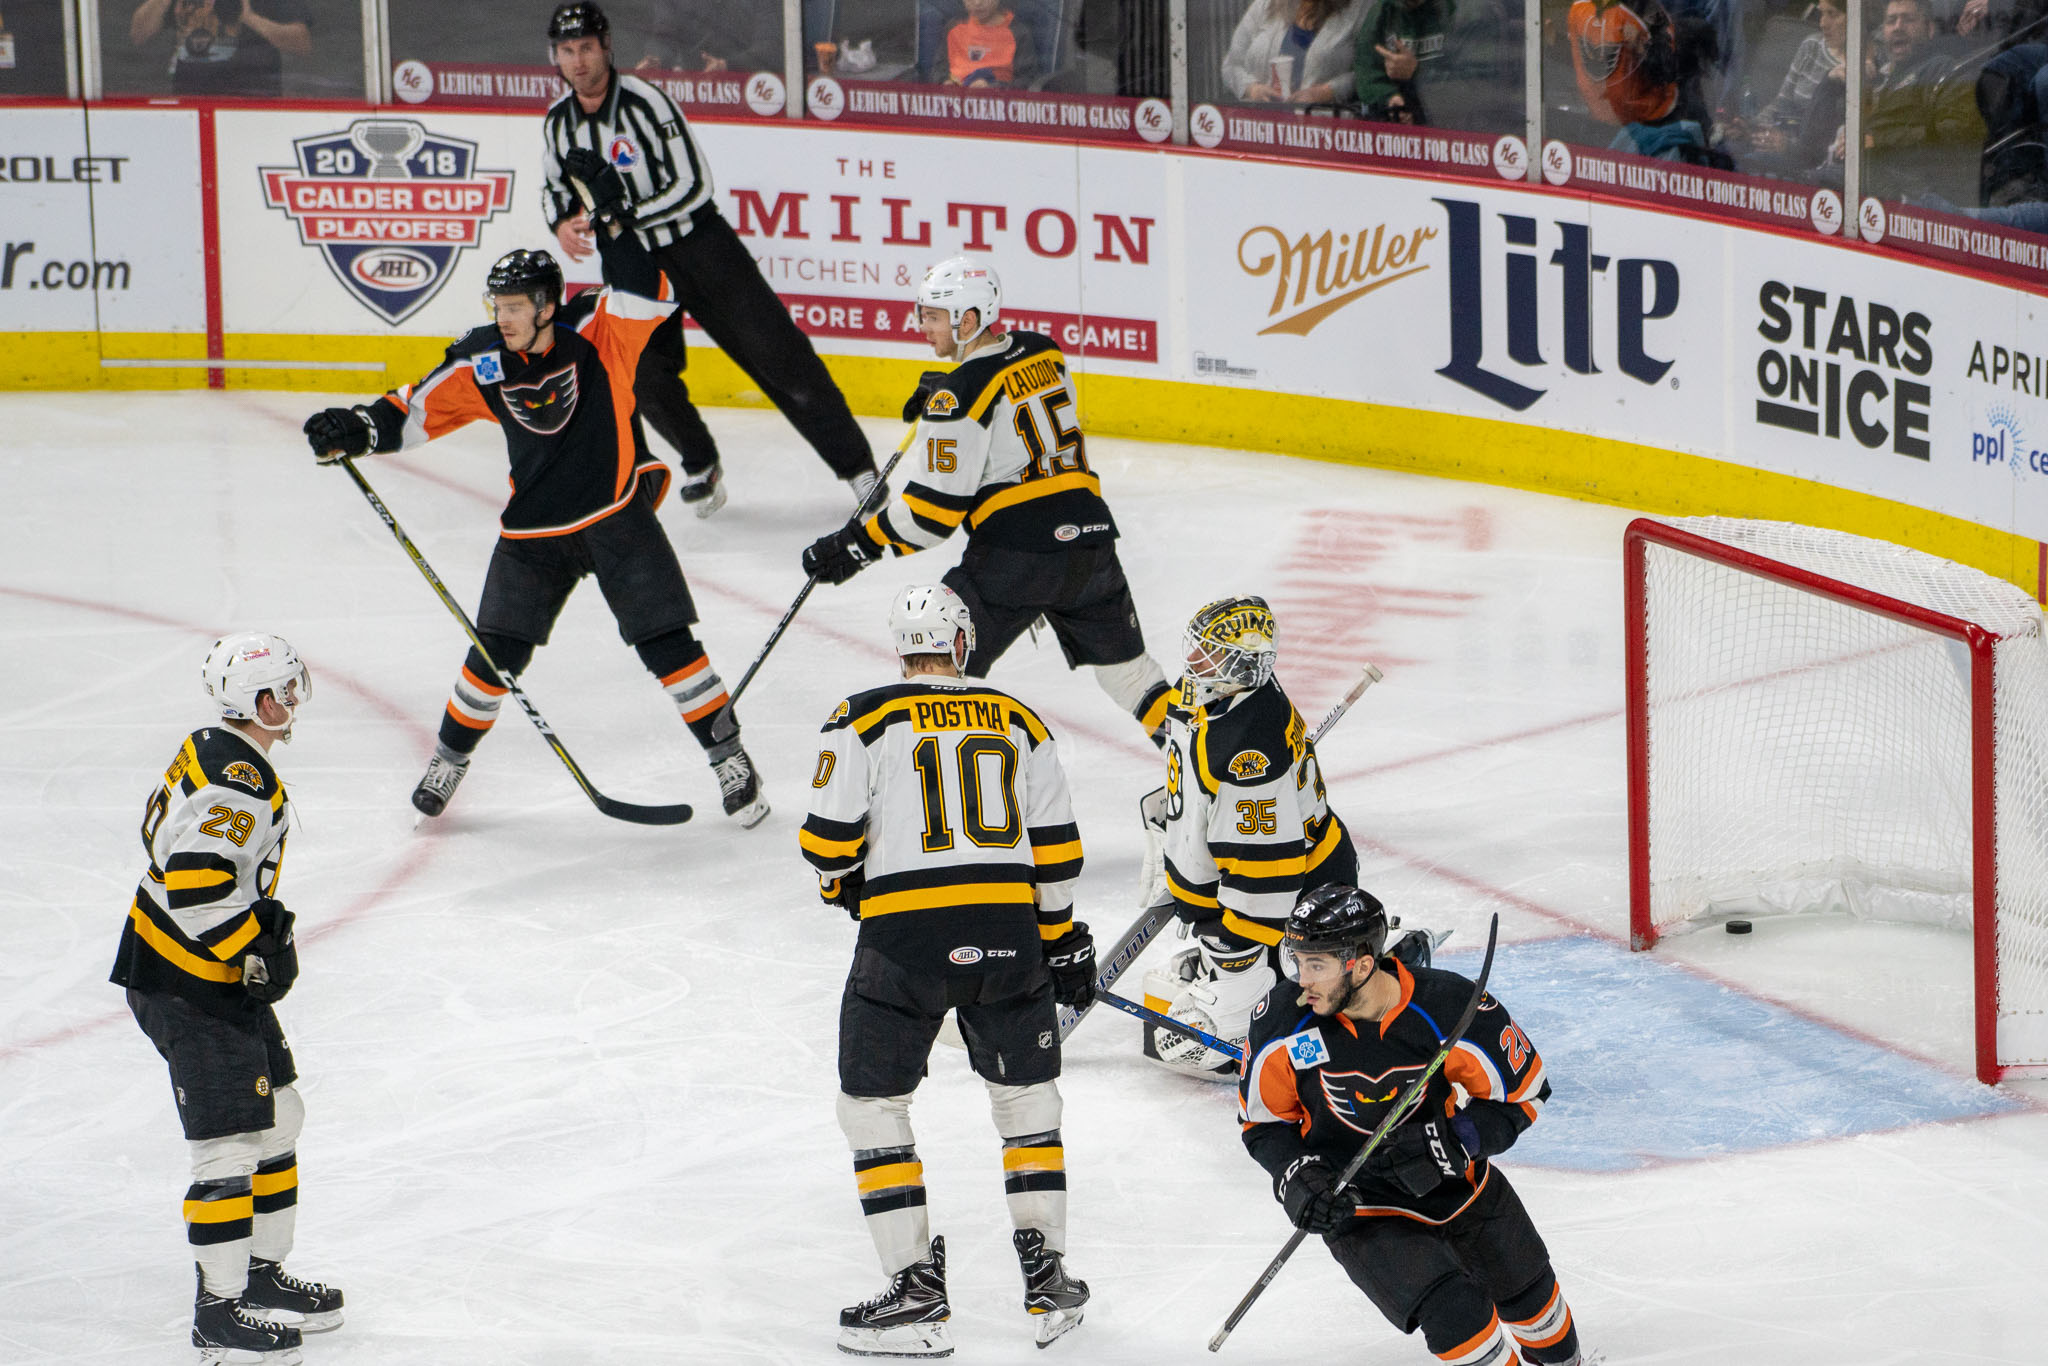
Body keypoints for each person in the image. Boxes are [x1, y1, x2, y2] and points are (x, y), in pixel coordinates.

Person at [299, 208, 768, 827]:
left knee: (669, 646)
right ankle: (448, 760)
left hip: (615, 518)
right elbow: (415, 409)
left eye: (515, 306)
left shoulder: (598, 332)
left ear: (547, 306)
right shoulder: (484, 359)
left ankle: (730, 759)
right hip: (533, 535)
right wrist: (356, 428)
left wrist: (615, 225)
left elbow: (647, 290)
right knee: (491, 658)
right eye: (498, 306)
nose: (504, 318)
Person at [801, 584, 1096, 1356]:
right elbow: (1057, 849)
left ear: (902, 650)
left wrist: (844, 885)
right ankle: (1048, 1278)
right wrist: (1058, 938)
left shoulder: (862, 716)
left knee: (872, 1105)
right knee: (1027, 1099)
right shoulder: (1019, 718)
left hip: (905, 942)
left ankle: (914, 1296)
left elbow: (827, 843)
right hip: (1008, 935)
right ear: (962, 644)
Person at [799, 258, 1175, 749]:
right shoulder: (1044, 350)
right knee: (1132, 677)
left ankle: (937, 778)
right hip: (1090, 545)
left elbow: (931, 517)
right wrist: (955, 390)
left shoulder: (958, 397)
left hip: (1014, 558)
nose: (922, 326)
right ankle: (1200, 761)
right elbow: (1008, 399)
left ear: (969, 320)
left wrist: (857, 543)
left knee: (933, 661)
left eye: (934, 316)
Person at [541, 2, 879, 520]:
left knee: (779, 354)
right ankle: (700, 462)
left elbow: (695, 184)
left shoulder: (646, 102)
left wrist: (626, 212)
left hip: (700, 247)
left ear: (606, 47)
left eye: (586, 47)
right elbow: (553, 187)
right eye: (568, 51)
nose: (578, 61)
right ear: (556, 57)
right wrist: (561, 222)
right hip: (631, 263)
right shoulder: (558, 123)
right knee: (640, 374)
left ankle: (857, 467)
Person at [111, 633, 343, 1363]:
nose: (295, 701)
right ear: (259, 701)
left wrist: (247, 949)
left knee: (279, 1119)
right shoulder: (238, 782)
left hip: (198, 974)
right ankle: (217, 1314)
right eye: (285, 690)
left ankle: (261, 1275)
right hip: (185, 982)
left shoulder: (212, 746)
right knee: (228, 1146)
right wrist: (254, 951)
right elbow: (197, 887)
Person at [1241, 885, 1587, 1366]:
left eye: (1316, 965)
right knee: (1456, 1315)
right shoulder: (1283, 1023)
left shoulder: (1448, 1006)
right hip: (1363, 1211)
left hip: (1461, 1188)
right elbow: (1263, 1125)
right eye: (1296, 961)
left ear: (1362, 965)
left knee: (1536, 1308)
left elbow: (1523, 1093)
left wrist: (1457, 1141)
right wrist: (1297, 1177)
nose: (1302, 981)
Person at [1143, 595, 1356, 1077]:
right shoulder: (1208, 691)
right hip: (1249, 868)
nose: (1192, 660)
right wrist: (1170, 833)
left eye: (1209, 653)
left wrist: (1234, 947)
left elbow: (1264, 878)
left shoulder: (1250, 751)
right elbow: (1191, 774)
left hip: (1303, 886)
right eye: (1196, 647)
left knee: (1205, 1040)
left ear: (1242, 666)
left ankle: (1262, 992)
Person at [128, 0, 311, 97]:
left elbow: (301, 43)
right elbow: (139, 34)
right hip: (190, 105)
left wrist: (249, 19)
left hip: (253, 106)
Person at [1221, 0, 1365, 105]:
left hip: (1321, 128)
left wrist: (1328, 91)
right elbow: (1231, 65)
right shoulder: (1265, 5)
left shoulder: (1359, 8)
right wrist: (1252, 89)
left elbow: (1368, 72)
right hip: (1262, 126)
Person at [1353, 0, 1455, 123]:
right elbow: (1366, 72)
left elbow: (1467, 75)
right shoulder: (1381, 12)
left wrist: (1418, 70)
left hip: (1447, 121)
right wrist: (1390, 97)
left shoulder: (1451, 9)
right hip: (1394, 123)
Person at [942, 0, 1041, 86]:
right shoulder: (954, 29)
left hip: (999, 97)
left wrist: (993, 87)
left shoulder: (1018, 33)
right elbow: (940, 69)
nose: (977, 3)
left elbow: (1028, 78)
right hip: (956, 96)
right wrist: (944, 82)